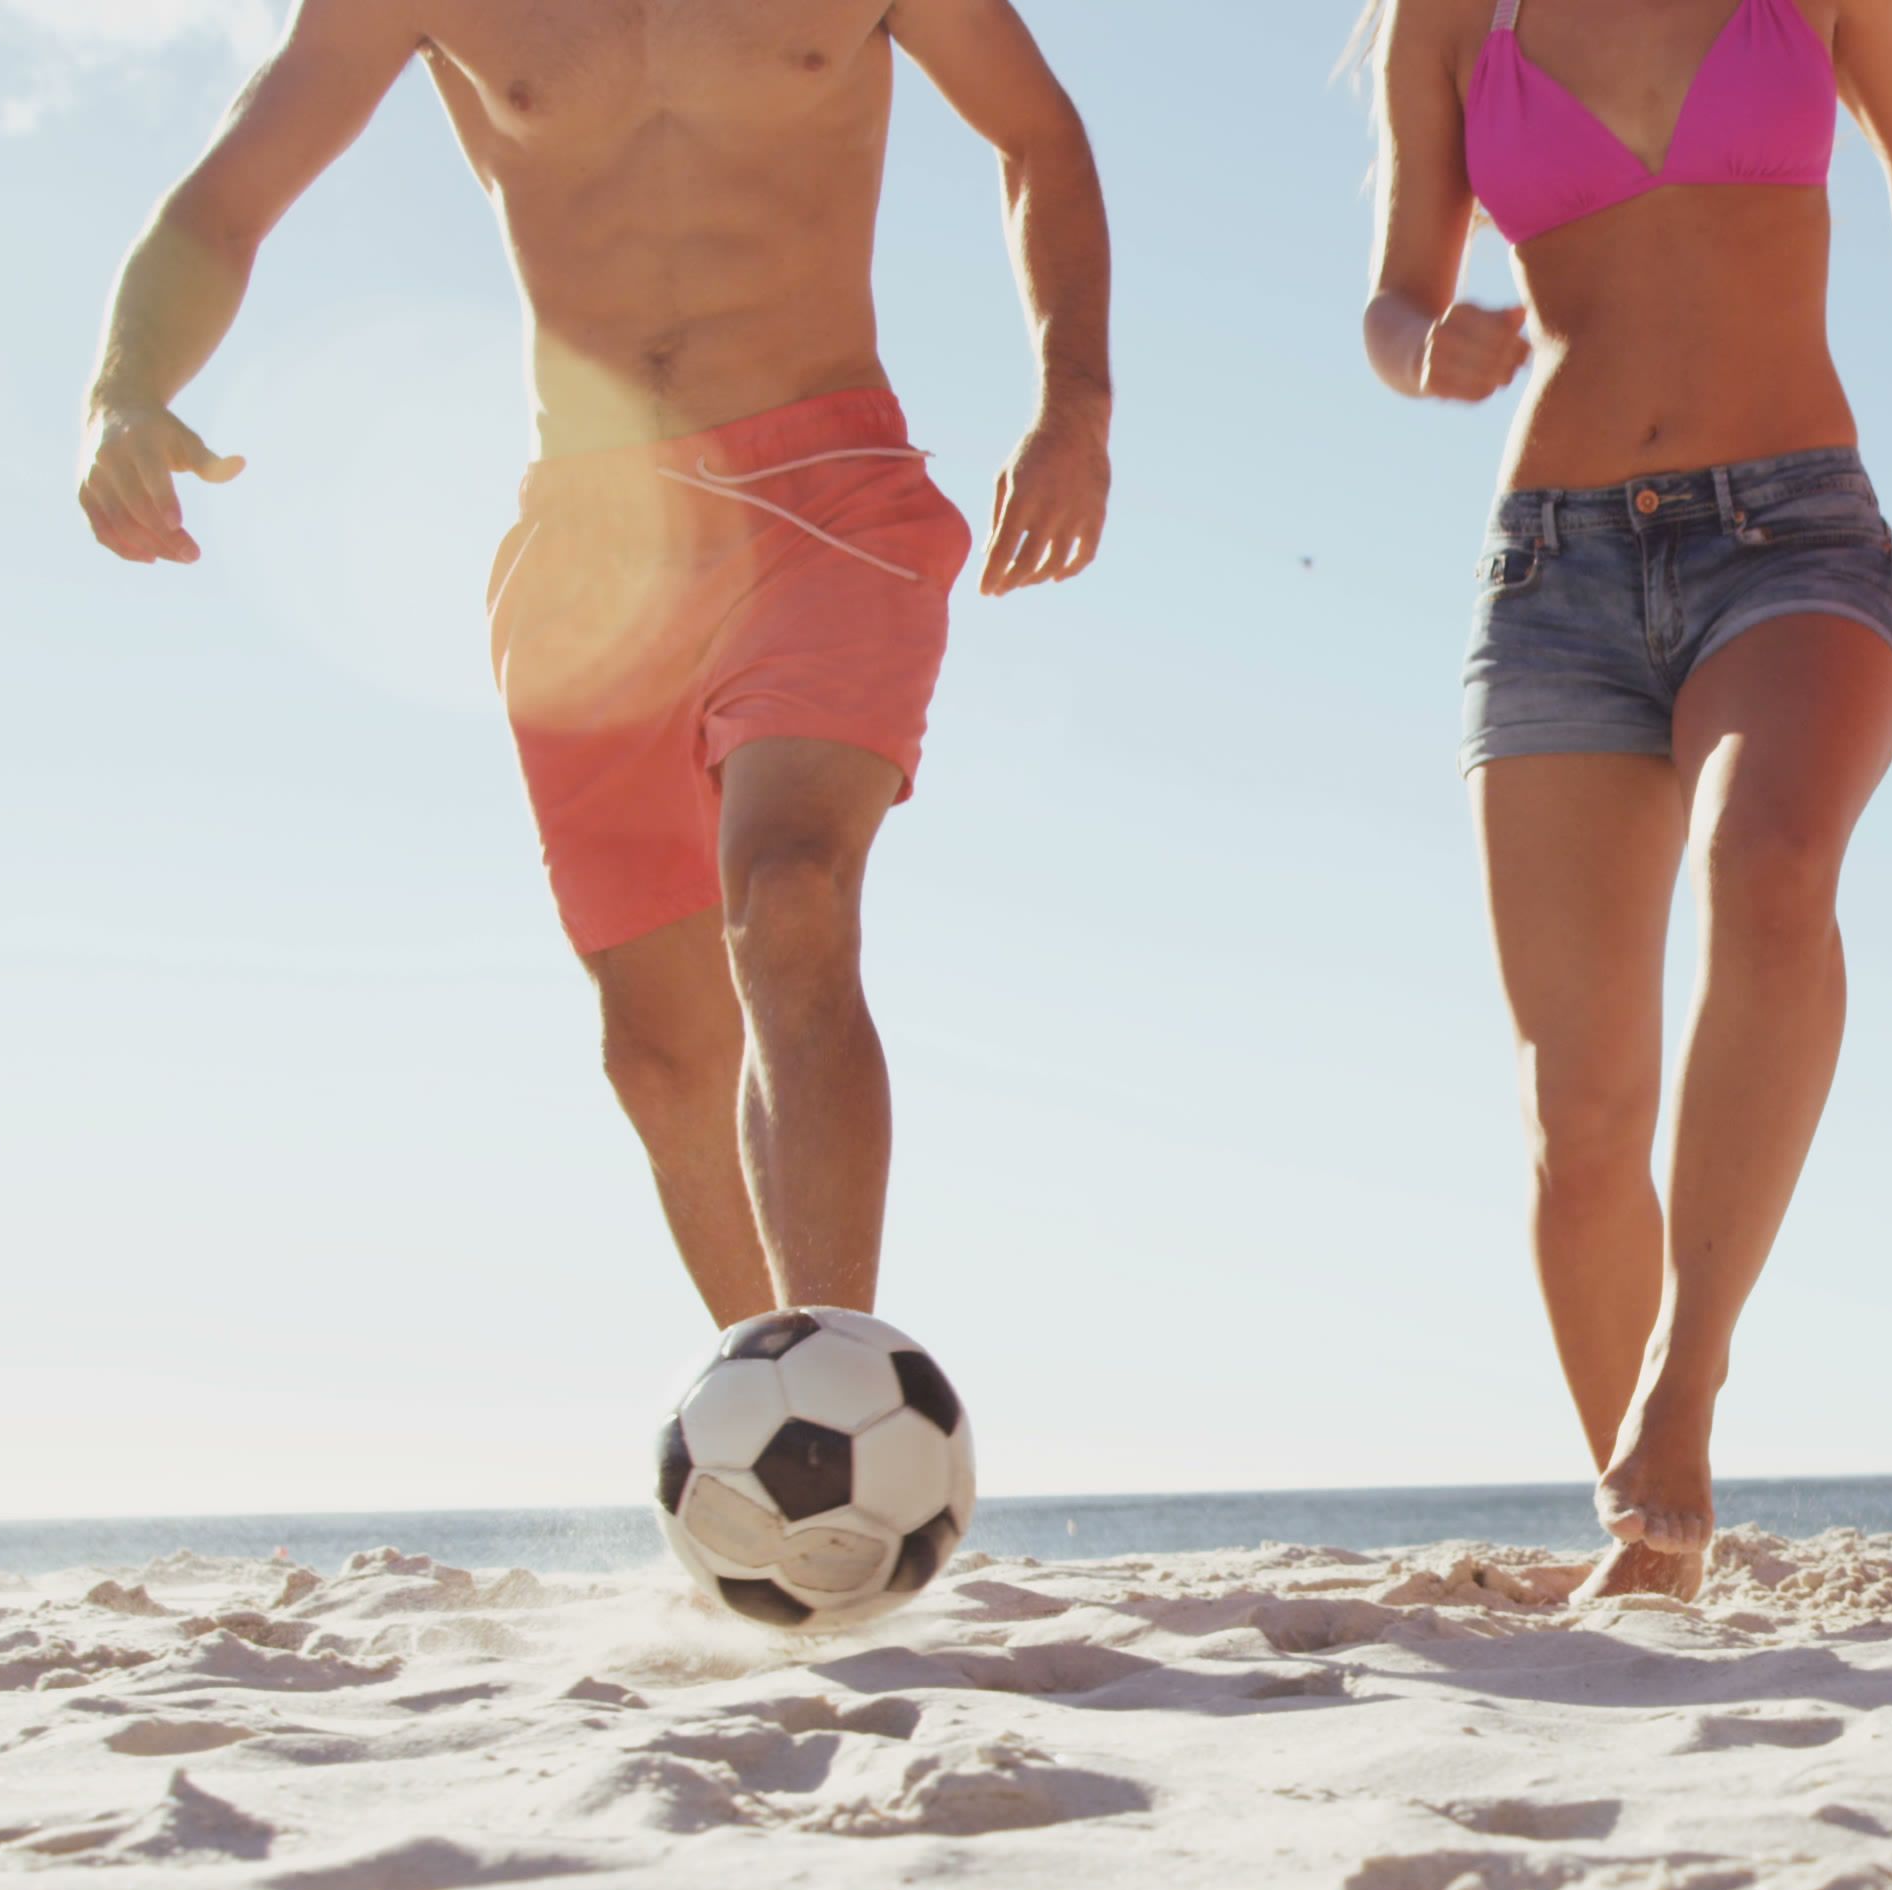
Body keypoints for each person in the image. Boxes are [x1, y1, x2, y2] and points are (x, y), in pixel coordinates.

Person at [72, 0, 1114, 1328]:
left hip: (828, 494)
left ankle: (840, 1405)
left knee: (791, 896)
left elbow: (1038, 132)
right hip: (593, 539)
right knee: (661, 1055)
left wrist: (1074, 399)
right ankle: (769, 1425)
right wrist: (123, 389)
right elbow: (222, 203)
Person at [1359, 0, 1892, 1602]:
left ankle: (1688, 1380)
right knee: (1576, 1111)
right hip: (1553, 569)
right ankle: (1646, 1550)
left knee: (1768, 863)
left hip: (1789, 533)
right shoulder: (1448, 24)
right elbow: (1394, 296)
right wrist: (1421, 351)